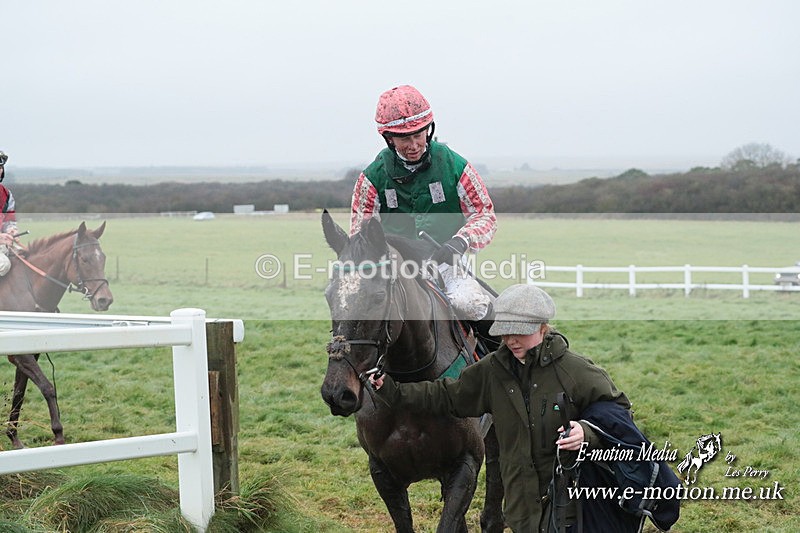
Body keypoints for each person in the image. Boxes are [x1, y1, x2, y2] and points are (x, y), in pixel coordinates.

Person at [369, 284, 631, 533]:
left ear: (542, 328)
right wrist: (391, 390)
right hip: (519, 509)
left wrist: (587, 432)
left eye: (520, 332)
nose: (511, 340)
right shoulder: (493, 370)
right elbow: (447, 395)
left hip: (569, 505)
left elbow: (618, 411)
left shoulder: (575, 370)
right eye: (505, 332)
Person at [350, 84, 497, 321]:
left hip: (447, 261)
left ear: (428, 130)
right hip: (395, 267)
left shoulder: (455, 165)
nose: (414, 145)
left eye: (418, 135)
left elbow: (484, 214)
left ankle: (494, 353)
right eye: (404, 138)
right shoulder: (371, 179)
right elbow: (360, 233)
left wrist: (461, 241)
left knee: (468, 304)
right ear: (389, 138)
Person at [0, 151, 20, 277]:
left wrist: (12, 230)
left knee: (27, 257)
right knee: (3, 264)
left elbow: (9, 221)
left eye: (0, 167)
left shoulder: (6, 194)